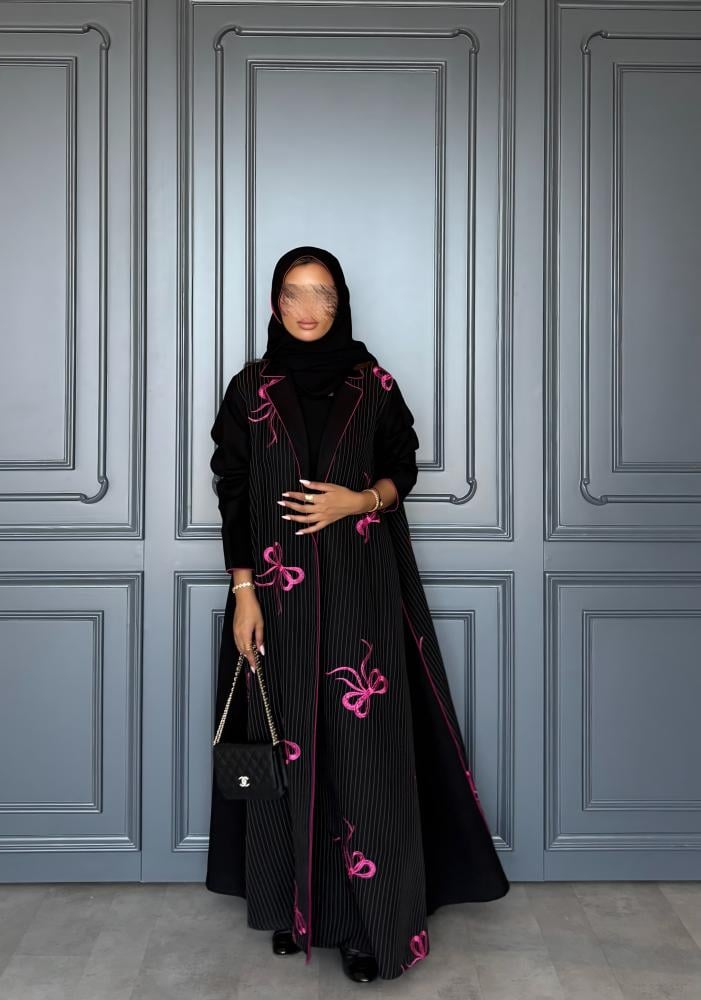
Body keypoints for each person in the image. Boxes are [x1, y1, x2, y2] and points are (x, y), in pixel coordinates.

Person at [206, 245, 509, 983]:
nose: (307, 308)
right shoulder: (250, 389)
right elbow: (233, 490)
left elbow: (402, 467)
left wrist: (358, 500)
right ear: (274, 303)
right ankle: (294, 907)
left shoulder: (373, 384)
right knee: (285, 747)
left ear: (340, 303)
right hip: (274, 599)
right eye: (293, 293)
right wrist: (243, 592)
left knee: (364, 759)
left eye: (322, 294)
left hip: (361, 595)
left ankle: (370, 926)